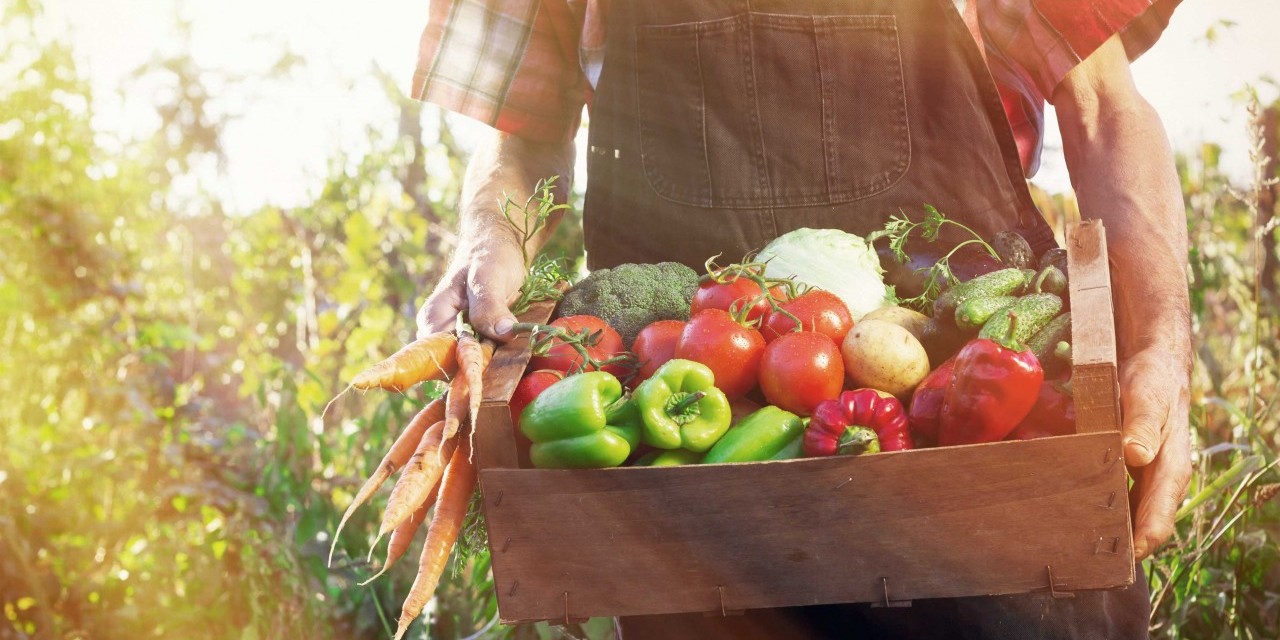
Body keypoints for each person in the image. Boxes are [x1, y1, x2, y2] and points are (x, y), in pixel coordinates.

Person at [413, 0, 1191, 637]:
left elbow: (1103, 108)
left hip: (983, 454)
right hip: (695, 511)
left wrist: (1161, 346)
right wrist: (488, 241)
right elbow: (524, 135)